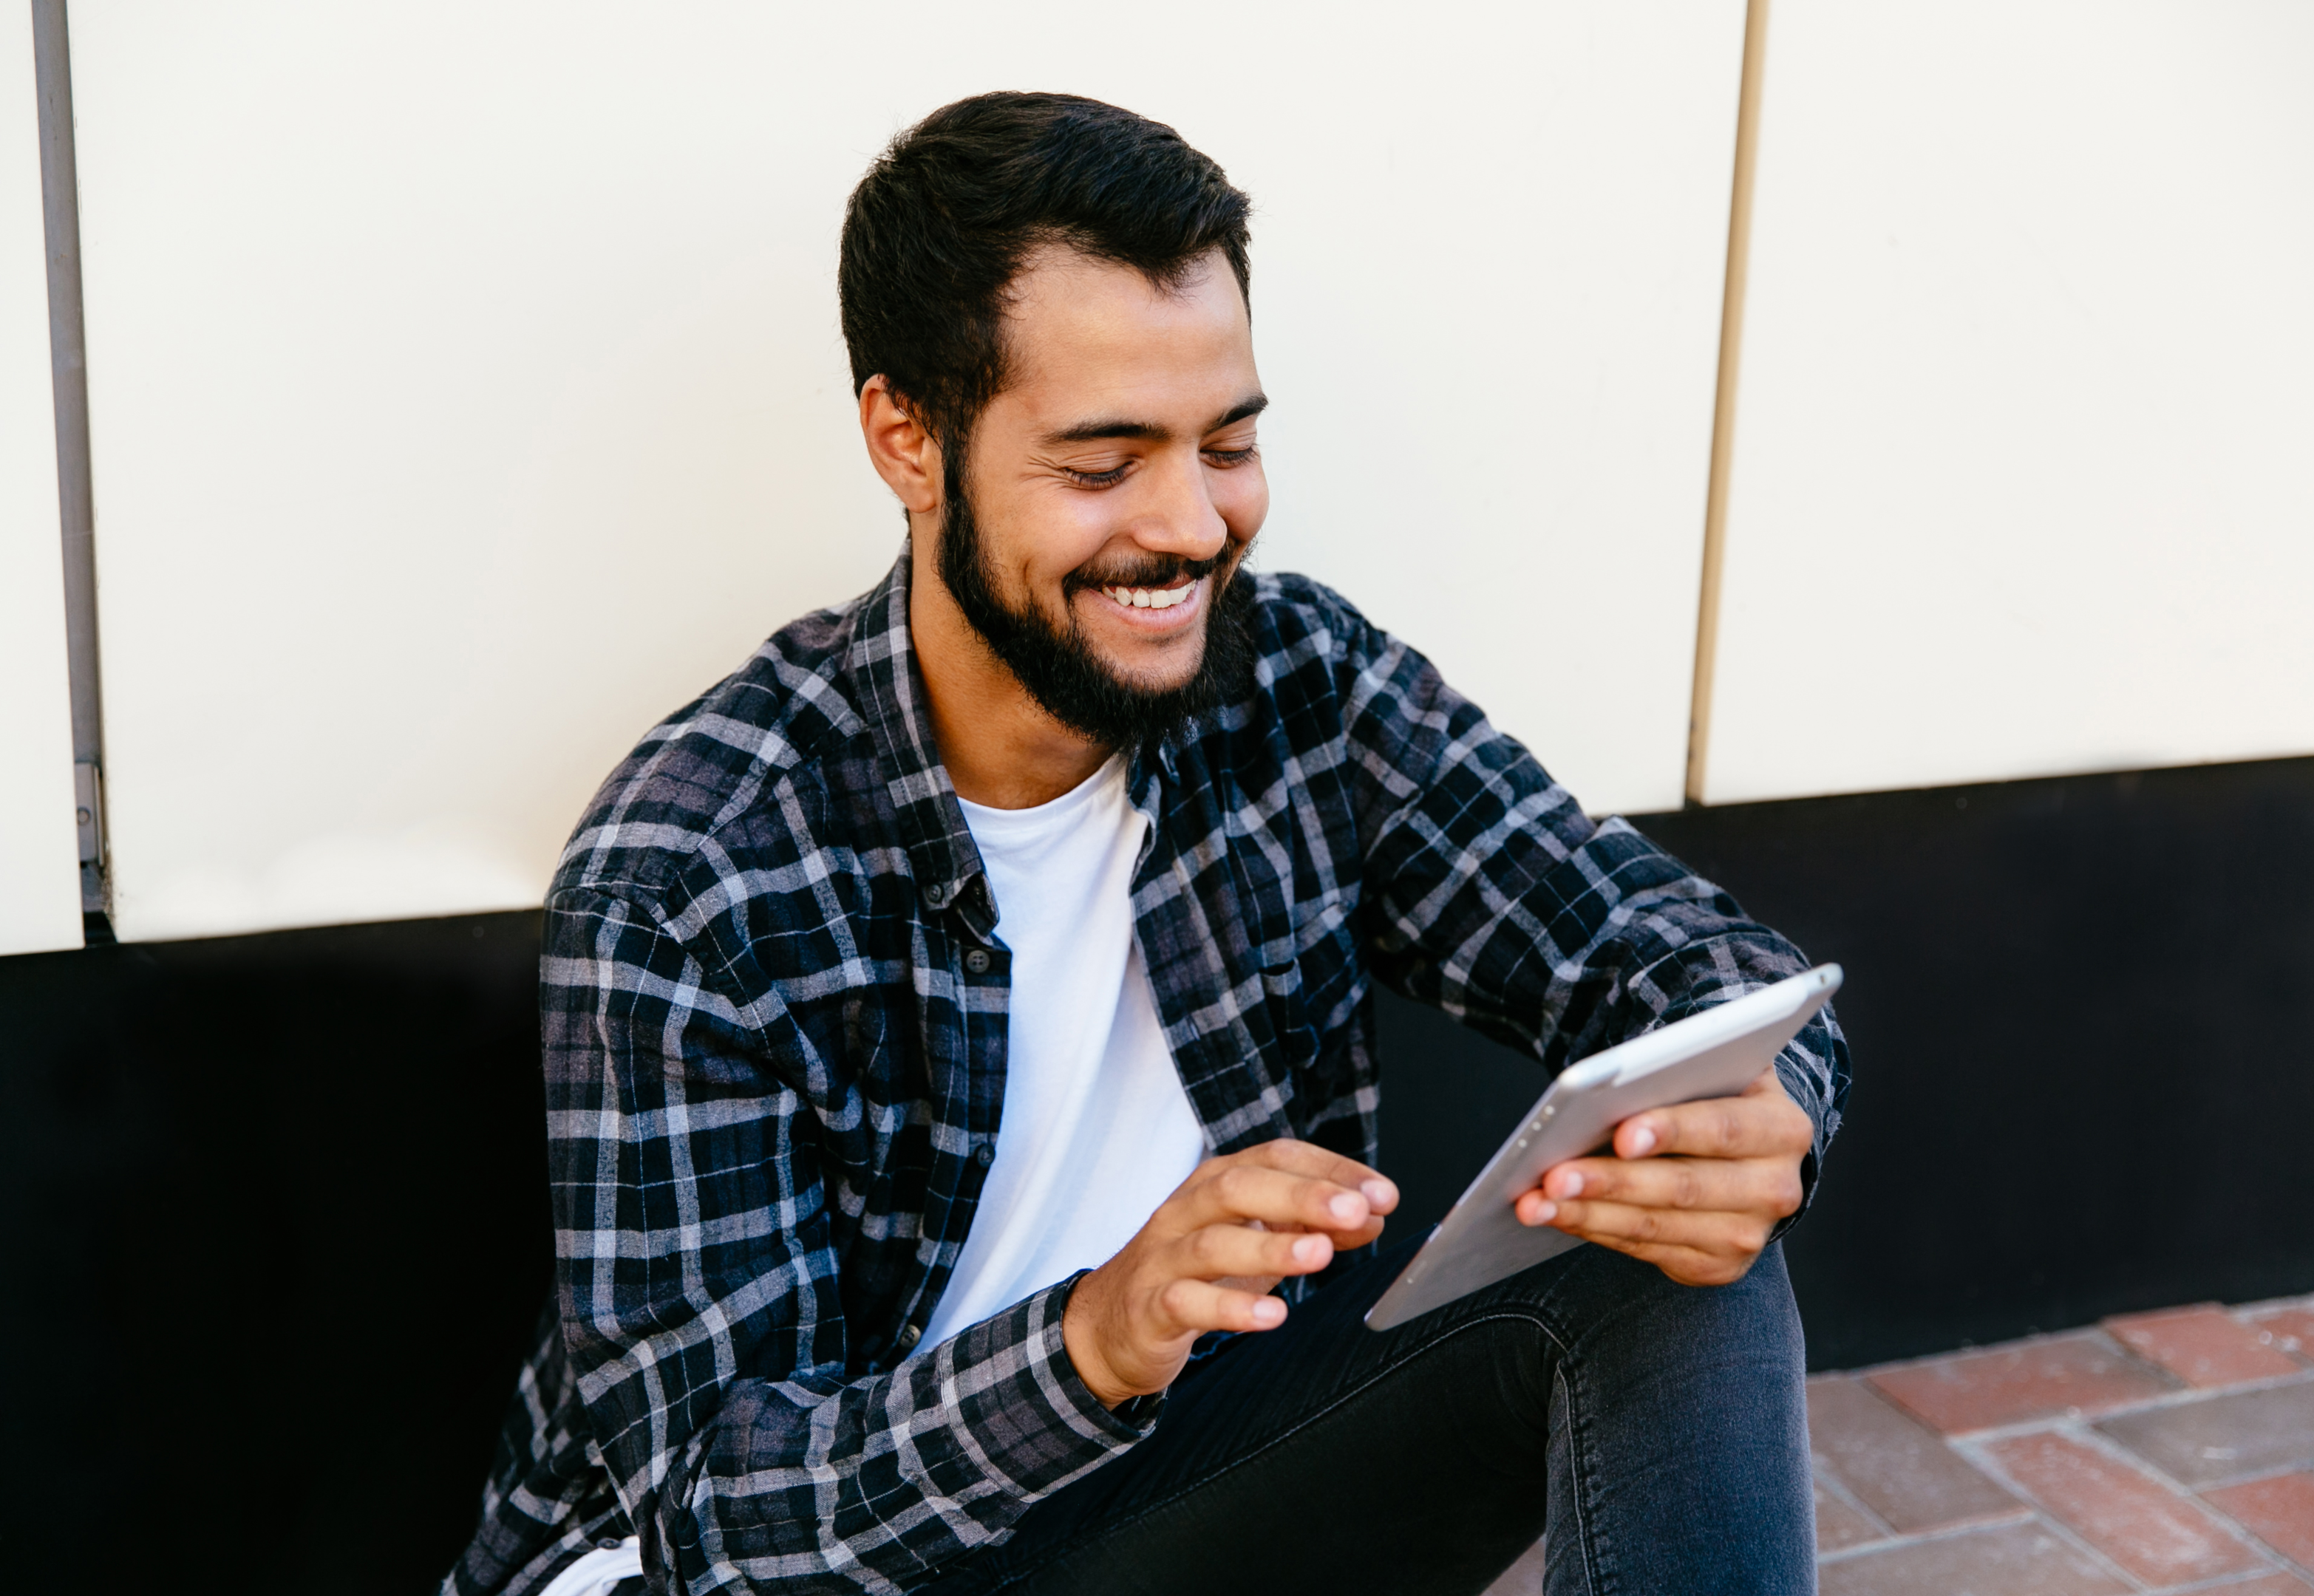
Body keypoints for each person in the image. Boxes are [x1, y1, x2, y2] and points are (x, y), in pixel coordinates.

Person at [444, 91, 1848, 1596]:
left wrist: (1768, 1114)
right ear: (908, 438)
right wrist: (1093, 1340)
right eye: (1106, 464)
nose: (1191, 525)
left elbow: (1681, 957)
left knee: (1675, 1270)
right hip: (802, 1574)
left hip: (1146, 1502)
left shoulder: (1297, 688)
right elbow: (716, 1527)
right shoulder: (693, 873)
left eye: (1227, 442)